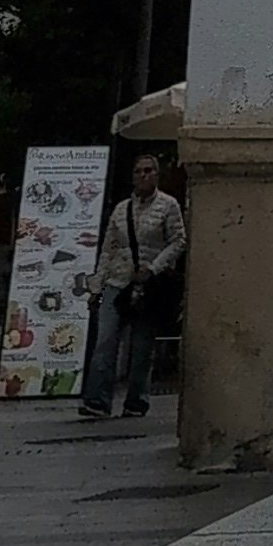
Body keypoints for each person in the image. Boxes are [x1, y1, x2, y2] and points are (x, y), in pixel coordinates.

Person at [77, 155, 186, 421]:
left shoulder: (168, 205)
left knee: (141, 347)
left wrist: (154, 267)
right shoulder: (121, 209)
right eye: (138, 171)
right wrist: (96, 288)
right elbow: (108, 249)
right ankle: (97, 400)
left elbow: (178, 241)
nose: (143, 175)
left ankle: (136, 401)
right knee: (105, 342)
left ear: (157, 175)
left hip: (148, 285)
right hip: (117, 281)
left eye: (149, 171)